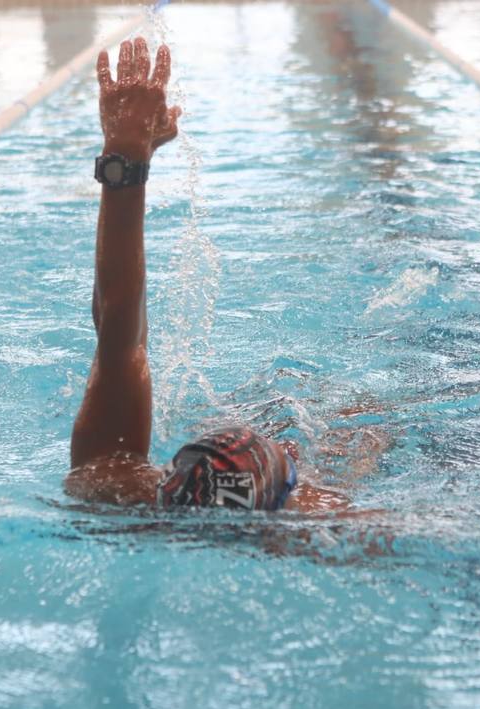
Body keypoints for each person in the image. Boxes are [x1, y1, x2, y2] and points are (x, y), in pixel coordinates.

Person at [65, 37, 345, 513]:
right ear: (296, 499)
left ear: (165, 483)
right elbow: (118, 334)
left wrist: (125, 155)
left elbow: (119, 335)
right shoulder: (332, 524)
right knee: (353, 433)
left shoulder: (116, 491)